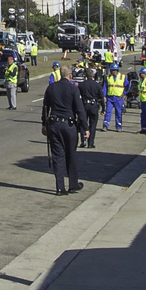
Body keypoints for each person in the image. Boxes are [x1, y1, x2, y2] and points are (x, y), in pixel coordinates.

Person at [41, 64, 85, 195]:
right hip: (69, 125)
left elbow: (45, 108)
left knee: (58, 156)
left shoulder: (51, 88)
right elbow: (80, 109)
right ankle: (73, 184)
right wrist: (85, 127)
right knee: (71, 155)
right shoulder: (73, 89)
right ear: (70, 76)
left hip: (54, 125)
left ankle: (60, 187)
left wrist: (44, 124)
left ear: (60, 74)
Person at [77, 64, 104, 148]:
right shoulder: (97, 85)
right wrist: (103, 108)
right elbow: (101, 97)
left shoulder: (81, 85)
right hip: (93, 106)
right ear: (93, 75)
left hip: (84, 105)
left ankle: (83, 141)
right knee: (93, 124)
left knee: (83, 123)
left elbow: (77, 96)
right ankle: (91, 143)